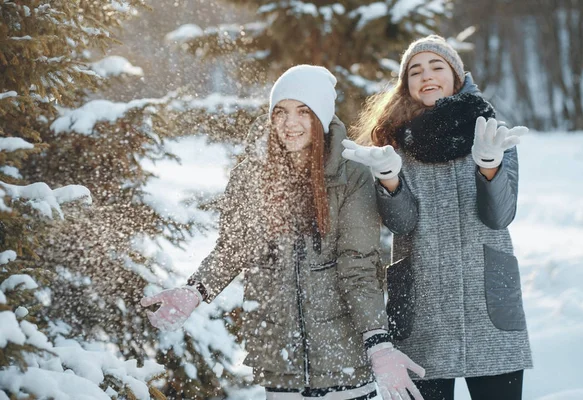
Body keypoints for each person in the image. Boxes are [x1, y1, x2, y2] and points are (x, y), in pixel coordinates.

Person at [141, 65, 426, 400]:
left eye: (303, 112)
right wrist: (196, 289)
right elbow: (234, 248)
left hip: (342, 359)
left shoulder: (351, 175)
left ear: (320, 117)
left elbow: (358, 266)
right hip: (281, 359)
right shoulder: (251, 175)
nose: (290, 124)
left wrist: (377, 343)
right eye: (281, 112)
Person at [341, 35, 533, 400]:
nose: (426, 76)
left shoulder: (491, 132)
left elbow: (500, 216)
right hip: (423, 309)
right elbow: (402, 224)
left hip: (488, 303)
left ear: (456, 76)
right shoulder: (393, 142)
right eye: (415, 71)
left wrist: (489, 166)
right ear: (406, 84)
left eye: (436, 67)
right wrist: (389, 178)